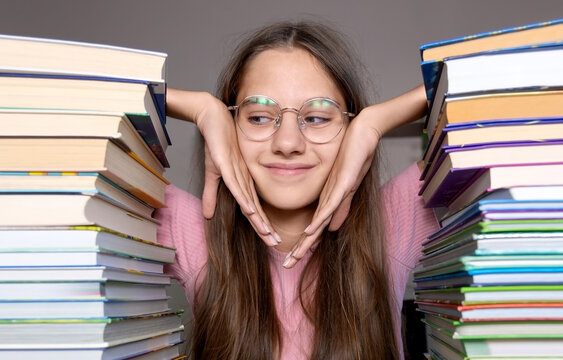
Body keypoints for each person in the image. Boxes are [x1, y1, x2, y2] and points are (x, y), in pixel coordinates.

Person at [157, 21, 438, 360]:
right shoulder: (192, 229)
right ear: (229, 130)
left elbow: (515, 76)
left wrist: (375, 122)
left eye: (318, 117)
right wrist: (201, 108)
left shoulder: (393, 219)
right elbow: (77, 98)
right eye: (259, 116)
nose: (287, 143)